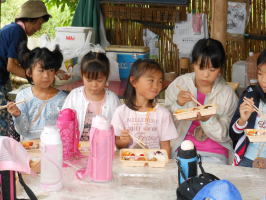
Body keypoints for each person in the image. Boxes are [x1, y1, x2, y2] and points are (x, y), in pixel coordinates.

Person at [165, 38, 238, 163]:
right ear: (193, 64)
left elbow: (226, 135)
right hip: (182, 149)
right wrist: (178, 104)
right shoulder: (180, 84)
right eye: (201, 68)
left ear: (220, 69)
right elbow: (165, 124)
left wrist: (208, 120)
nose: (205, 75)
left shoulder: (227, 94)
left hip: (215, 152)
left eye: (212, 70)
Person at [0, 0, 51, 136]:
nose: (39, 28)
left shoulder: (12, 29)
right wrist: (34, 79)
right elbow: (11, 66)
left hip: (2, 79)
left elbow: (23, 60)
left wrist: (42, 68)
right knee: (3, 124)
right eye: (39, 23)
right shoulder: (18, 32)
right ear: (31, 19)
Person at [111, 59, 178, 158]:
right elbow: (117, 144)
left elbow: (165, 147)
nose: (156, 86)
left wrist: (162, 166)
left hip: (154, 165)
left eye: (160, 81)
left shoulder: (163, 113)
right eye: (151, 80)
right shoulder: (121, 112)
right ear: (134, 82)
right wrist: (123, 142)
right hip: (129, 165)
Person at [6, 42, 67, 140]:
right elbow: (22, 131)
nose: (46, 76)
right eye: (41, 70)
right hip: (28, 149)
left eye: (51, 70)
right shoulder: (23, 96)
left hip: (54, 147)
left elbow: (66, 130)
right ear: (29, 72)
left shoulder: (63, 99)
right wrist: (18, 115)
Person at [62, 52, 120, 141]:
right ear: (82, 75)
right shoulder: (74, 96)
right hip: (77, 148)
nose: (94, 85)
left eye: (99, 80)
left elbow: (117, 127)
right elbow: (64, 122)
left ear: (107, 77)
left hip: (103, 147)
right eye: (89, 80)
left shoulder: (112, 99)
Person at [229, 49, 266, 168]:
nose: (264, 80)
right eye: (260, 74)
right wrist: (242, 121)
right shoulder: (250, 96)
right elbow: (233, 135)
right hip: (246, 157)